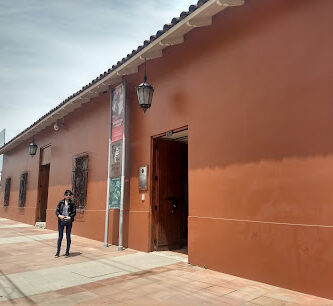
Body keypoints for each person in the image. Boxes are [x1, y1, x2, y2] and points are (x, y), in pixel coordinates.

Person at [55, 190, 76, 257]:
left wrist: (70, 217)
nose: (68, 196)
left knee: (68, 236)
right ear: (64, 195)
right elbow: (57, 211)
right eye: (67, 194)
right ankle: (58, 252)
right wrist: (59, 215)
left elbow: (74, 212)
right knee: (60, 236)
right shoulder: (61, 202)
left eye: (69, 195)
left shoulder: (72, 204)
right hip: (61, 220)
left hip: (69, 221)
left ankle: (67, 251)